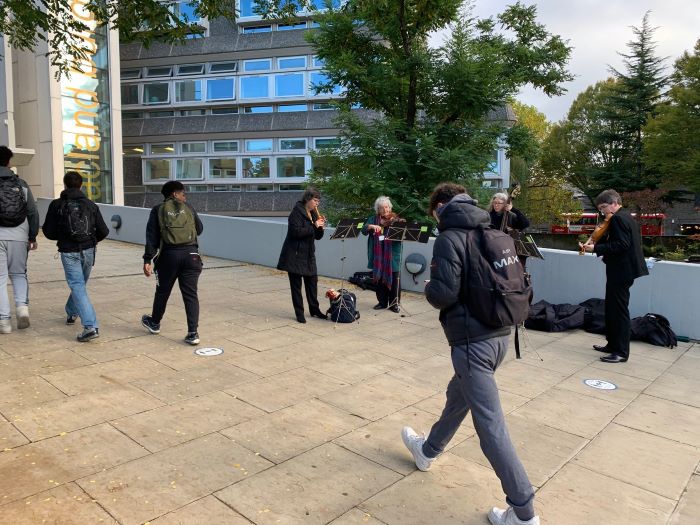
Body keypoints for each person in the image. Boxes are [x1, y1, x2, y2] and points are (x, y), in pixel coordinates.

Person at [401, 182, 539, 525]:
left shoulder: (450, 237)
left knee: (491, 425)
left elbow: (445, 294)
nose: (434, 217)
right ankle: (428, 450)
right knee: (457, 394)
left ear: (441, 205)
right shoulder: (489, 229)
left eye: (434, 211)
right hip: (500, 335)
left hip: (471, 341)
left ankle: (523, 513)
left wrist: (432, 288)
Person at [579, 189, 648, 363]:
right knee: (611, 308)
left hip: (622, 270)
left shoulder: (618, 218)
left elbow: (621, 245)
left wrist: (595, 248)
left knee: (619, 311)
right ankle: (612, 344)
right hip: (621, 270)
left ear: (615, 203)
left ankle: (621, 352)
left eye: (604, 207)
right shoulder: (625, 216)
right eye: (601, 208)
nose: (603, 211)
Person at [42, 171, 109, 342]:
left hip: (68, 250)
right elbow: (104, 231)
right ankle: (72, 312)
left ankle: (90, 326)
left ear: (65, 185)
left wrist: (64, 237)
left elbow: (48, 231)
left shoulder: (56, 205)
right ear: (81, 185)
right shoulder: (91, 204)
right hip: (88, 250)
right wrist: (91, 241)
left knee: (78, 285)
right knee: (80, 284)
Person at [141, 181, 204, 345]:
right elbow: (200, 229)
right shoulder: (188, 208)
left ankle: (154, 323)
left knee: (162, 291)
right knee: (190, 294)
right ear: (174, 194)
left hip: (169, 256)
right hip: (192, 256)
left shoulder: (157, 210)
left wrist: (148, 259)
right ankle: (193, 333)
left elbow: (152, 237)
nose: (185, 195)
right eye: (182, 192)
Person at [0, 146, 39, 334]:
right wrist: (32, 236)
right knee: (18, 274)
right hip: (19, 236)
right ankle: (22, 308)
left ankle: (4, 322)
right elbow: (32, 211)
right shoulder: (21, 183)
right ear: (9, 162)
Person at [277, 187, 327, 324]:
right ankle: (299, 313)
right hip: (294, 255)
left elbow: (318, 236)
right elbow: (295, 232)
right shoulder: (296, 213)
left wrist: (320, 227)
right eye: (315, 200)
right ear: (308, 199)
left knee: (312, 284)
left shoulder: (314, 214)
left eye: (318, 201)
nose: (317, 204)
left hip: (308, 254)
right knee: (296, 286)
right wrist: (313, 226)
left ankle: (314, 310)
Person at [361, 196, 403, 312]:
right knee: (379, 279)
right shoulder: (373, 219)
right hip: (378, 256)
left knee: (395, 280)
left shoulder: (396, 219)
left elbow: (403, 234)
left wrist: (397, 225)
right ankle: (382, 302)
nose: (385, 210)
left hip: (392, 255)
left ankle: (394, 304)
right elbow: (363, 230)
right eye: (382, 208)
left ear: (390, 207)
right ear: (378, 210)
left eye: (387, 207)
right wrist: (370, 226)